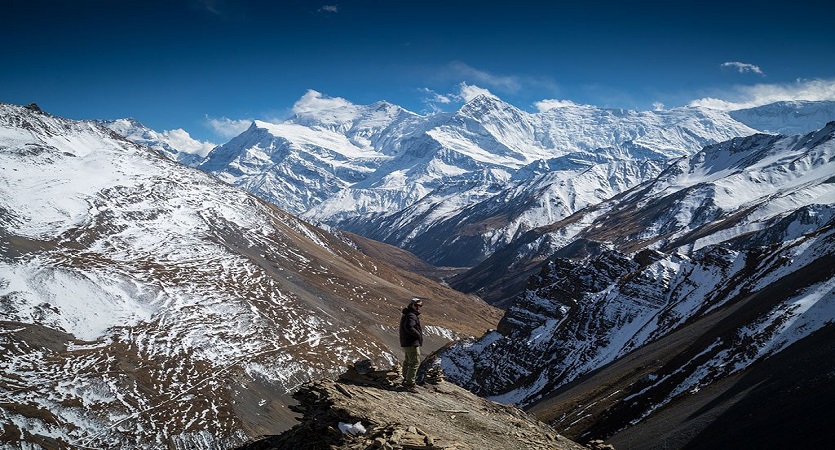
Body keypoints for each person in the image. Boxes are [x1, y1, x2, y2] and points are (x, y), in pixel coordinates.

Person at [399, 298, 424, 391]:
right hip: (411, 343)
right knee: (415, 362)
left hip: (406, 342)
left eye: (420, 306)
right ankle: (409, 383)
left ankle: (405, 379)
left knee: (408, 361)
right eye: (416, 305)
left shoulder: (407, 314)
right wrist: (418, 335)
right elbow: (409, 327)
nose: (418, 308)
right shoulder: (411, 315)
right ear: (411, 305)